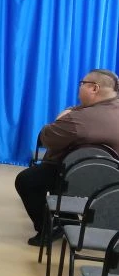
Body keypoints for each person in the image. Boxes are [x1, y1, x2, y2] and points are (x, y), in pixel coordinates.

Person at [14, 69, 119, 245]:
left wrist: (61, 117)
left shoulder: (79, 119)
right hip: (112, 180)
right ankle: (70, 219)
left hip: (74, 174)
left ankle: (50, 228)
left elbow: (47, 138)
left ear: (94, 88)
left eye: (82, 84)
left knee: (27, 180)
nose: (79, 87)